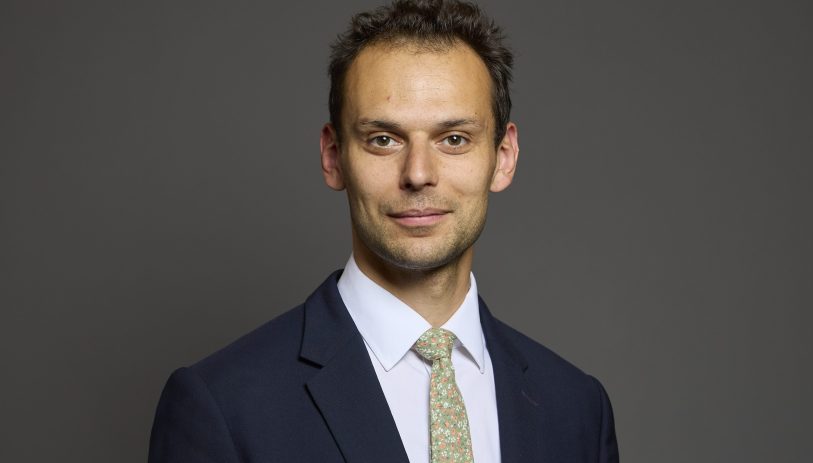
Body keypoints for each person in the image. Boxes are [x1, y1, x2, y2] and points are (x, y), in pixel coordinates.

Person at [148, 0, 619, 462]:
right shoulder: (224, 405)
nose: (418, 174)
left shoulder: (577, 408)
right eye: (383, 140)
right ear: (333, 157)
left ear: (504, 157)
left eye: (454, 139)